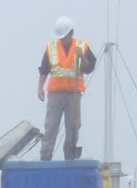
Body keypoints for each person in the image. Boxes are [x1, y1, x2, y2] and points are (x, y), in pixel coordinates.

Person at [37, 16, 96, 161]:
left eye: (65, 36)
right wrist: (40, 88)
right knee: (51, 126)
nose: (62, 39)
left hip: (74, 94)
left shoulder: (82, 47)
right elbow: (44, 69)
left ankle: (69, 157)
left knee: (73, 126)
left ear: (71, 33)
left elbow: (89, 68)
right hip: (55, 93)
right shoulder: (51, 48)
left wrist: (82, 57)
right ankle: (45, 156)